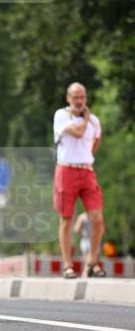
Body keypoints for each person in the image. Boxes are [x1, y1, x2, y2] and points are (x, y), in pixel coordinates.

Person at [53, 82, 105, 278]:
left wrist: (87, 157)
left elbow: (97, 138)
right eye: (75, 97)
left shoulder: (94, 121)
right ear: (68, 98)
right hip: (66, 171)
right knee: (67, 219)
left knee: (97, 219)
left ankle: (92, 260)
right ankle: (68, 265)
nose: (79, 101)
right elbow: (78, 132)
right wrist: (85, 118)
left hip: (86, 171)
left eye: (82, 97)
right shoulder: (61, 116)